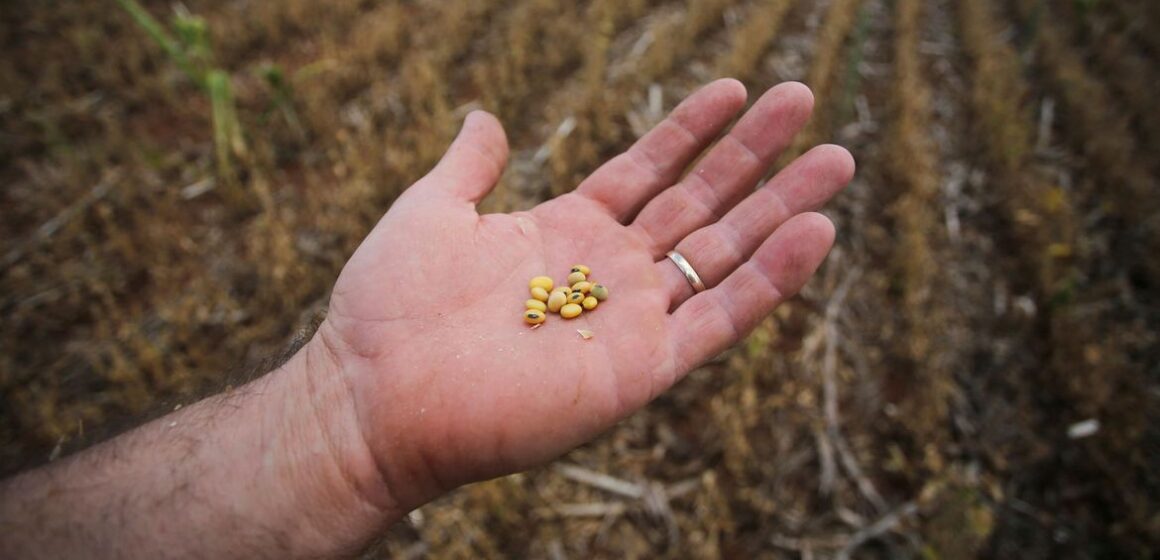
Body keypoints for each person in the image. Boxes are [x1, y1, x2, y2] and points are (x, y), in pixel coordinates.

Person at [0, 79, 854, 558]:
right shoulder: (553, 304)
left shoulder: (564, 299)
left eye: (564, 303)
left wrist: (338, 423)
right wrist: (342, 415)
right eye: (561, 304)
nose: (562, 306)